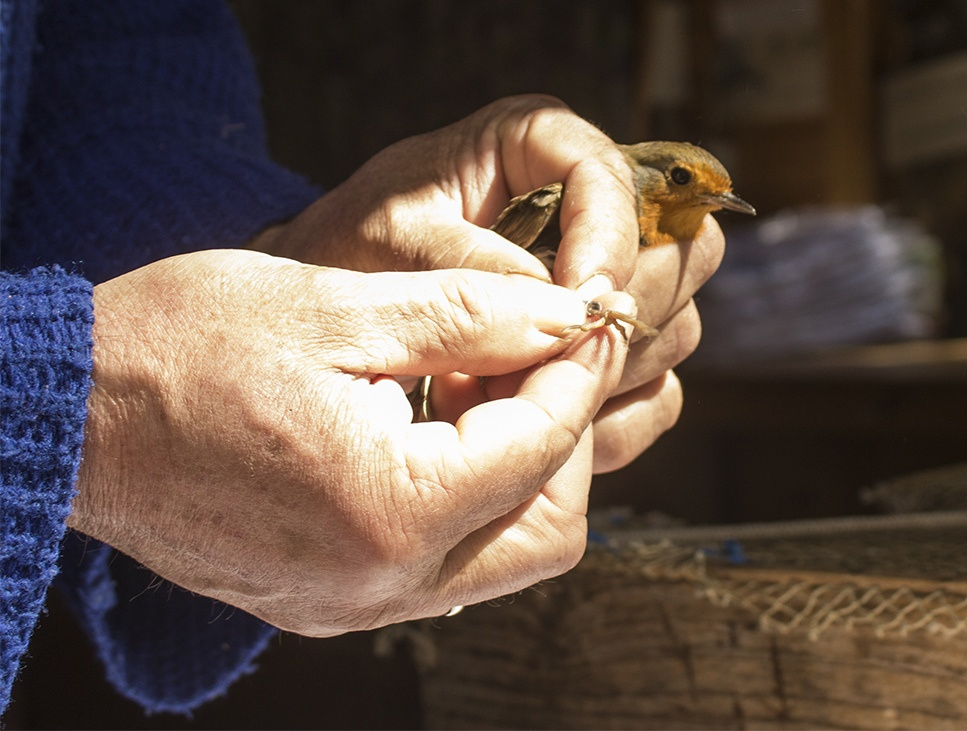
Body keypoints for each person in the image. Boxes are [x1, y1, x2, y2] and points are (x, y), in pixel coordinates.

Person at [0, 0, 724, 716]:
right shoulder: (567, 197)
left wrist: (274, 254)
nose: (702, 202)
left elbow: (109, 54)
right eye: (683, 182)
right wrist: (72, 397)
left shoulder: (650, 225)